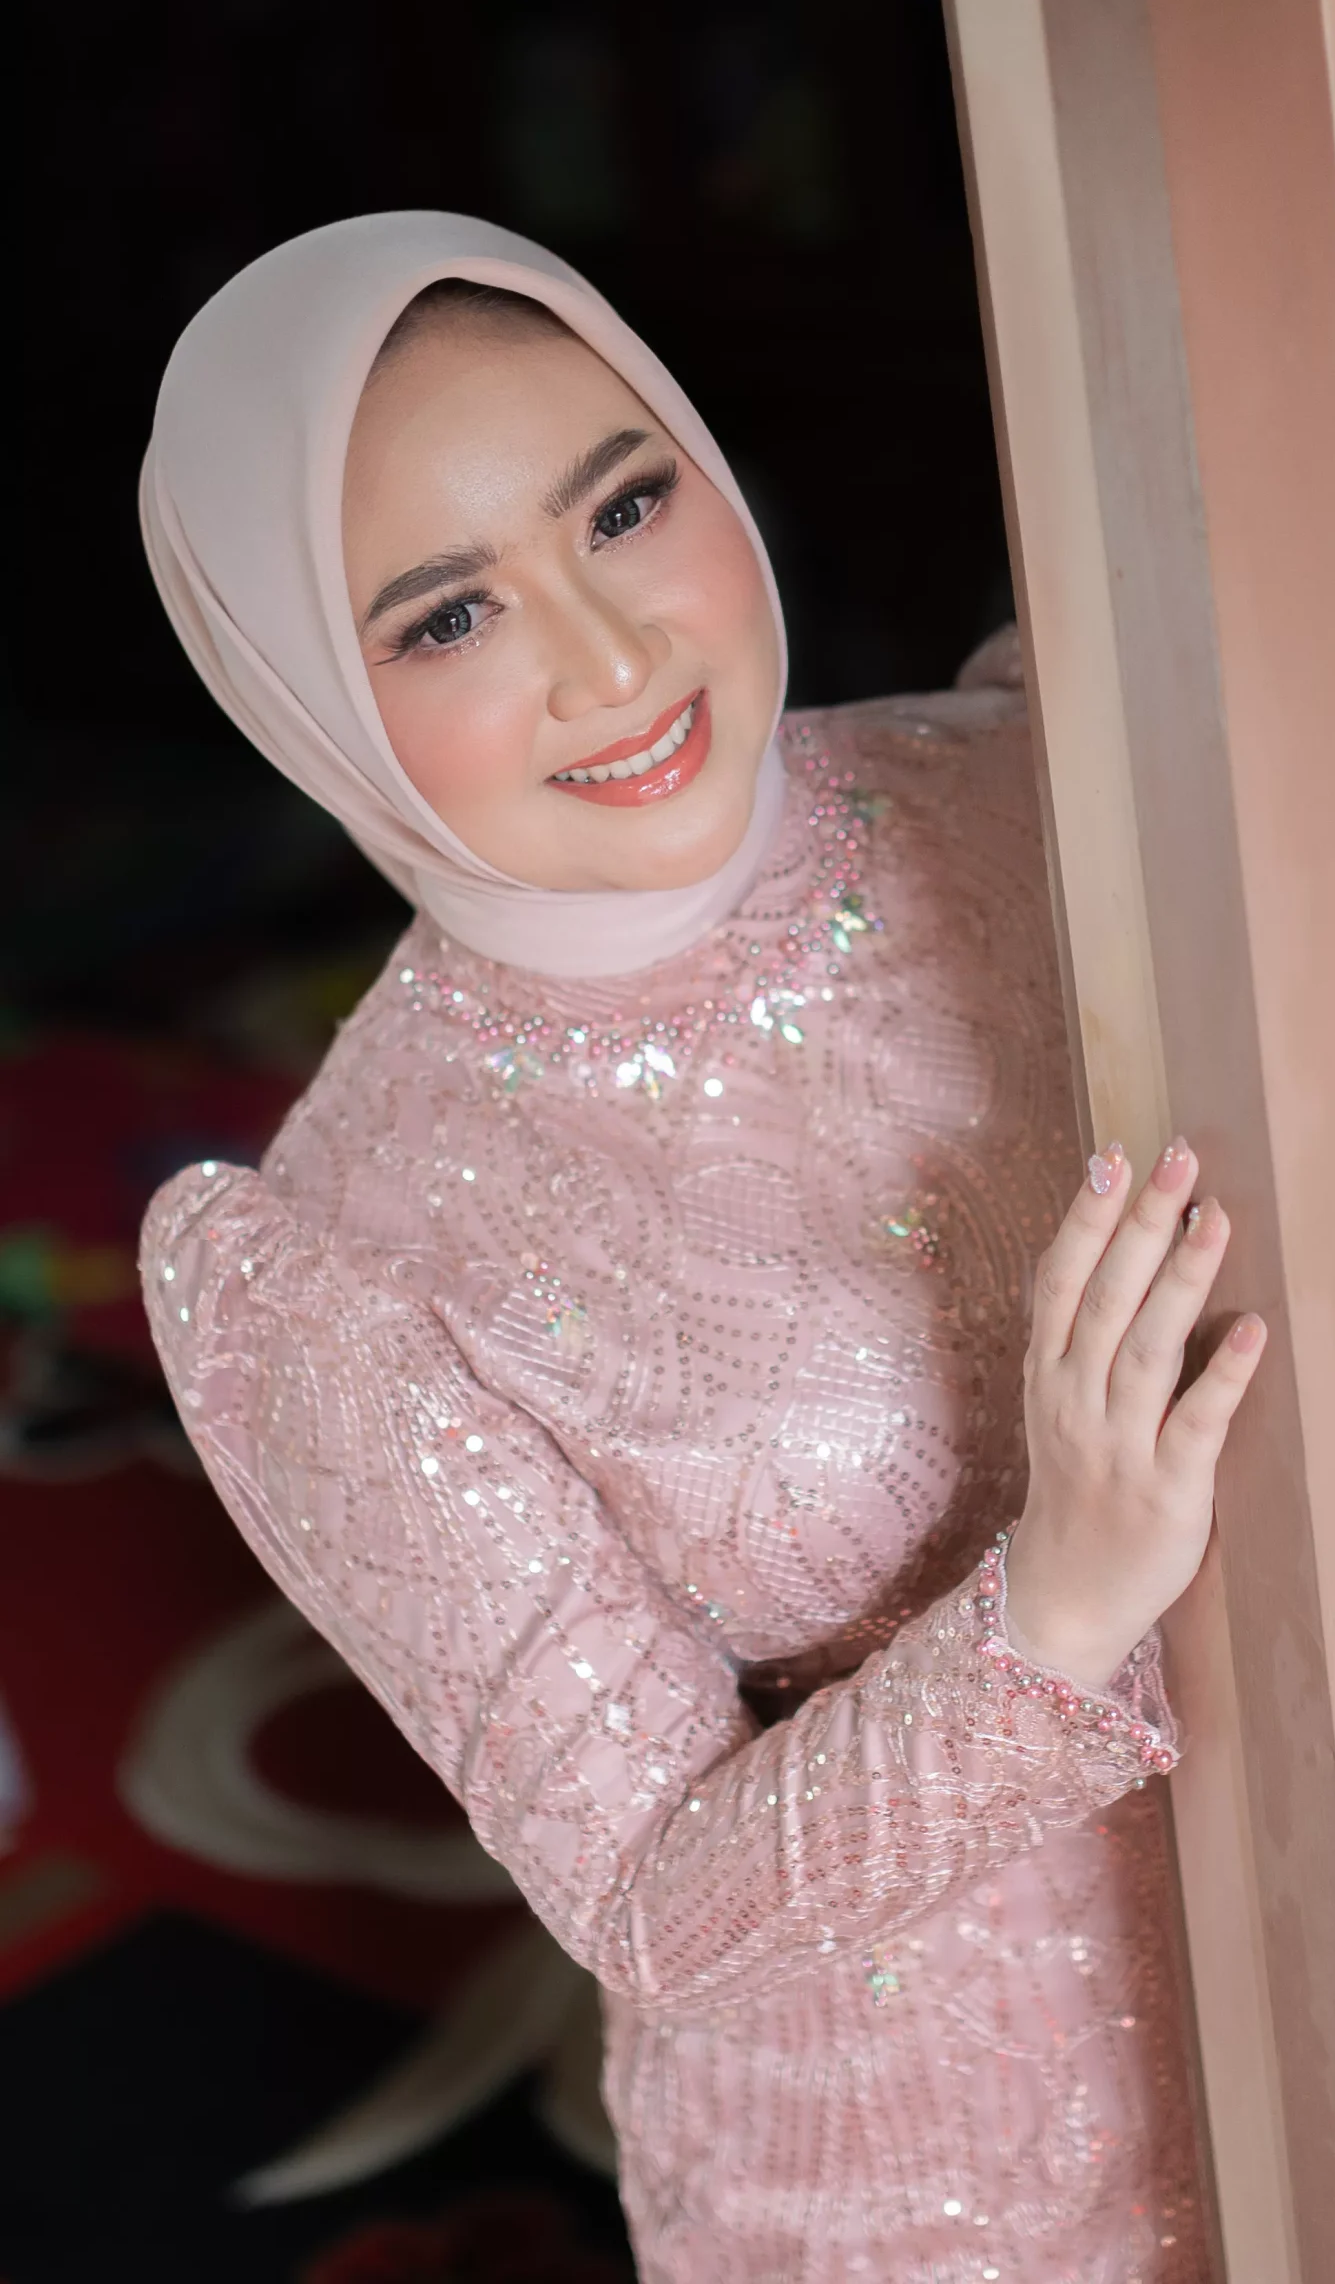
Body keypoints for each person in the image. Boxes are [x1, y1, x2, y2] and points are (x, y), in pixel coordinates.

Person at [138, 211, 1267, 2282]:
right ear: (299, 692)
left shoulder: (1030, 770)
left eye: (622, 508)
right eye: (449, 616)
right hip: (923, 2188)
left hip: (1333, 1973)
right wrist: (1060, 1601)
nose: (607, 657)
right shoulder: (336, 1258)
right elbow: (660, 1903)